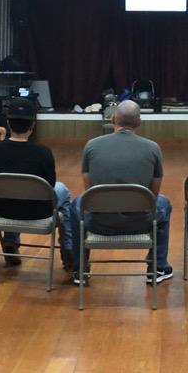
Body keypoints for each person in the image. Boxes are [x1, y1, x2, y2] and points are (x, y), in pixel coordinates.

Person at [67, 100, 174, 284]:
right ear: (139, 122)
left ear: (113, 119)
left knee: (78, 203)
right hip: (140, 223)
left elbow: (90, 192)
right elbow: (153, 197)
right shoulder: (153, 148)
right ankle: (158, 267)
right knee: (164, 203)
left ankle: (80, 268)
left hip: (98, 222)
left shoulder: (91, 146)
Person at [0, 96, 73, 268]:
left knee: (11, 191)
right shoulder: (43, 152)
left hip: (3, 209)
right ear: (32, 125)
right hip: (39, 212)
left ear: (8, 123)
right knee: (63, 191)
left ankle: (11, 240)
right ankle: (68, 249)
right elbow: (50, 184)